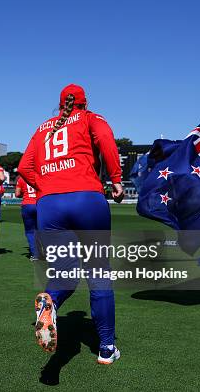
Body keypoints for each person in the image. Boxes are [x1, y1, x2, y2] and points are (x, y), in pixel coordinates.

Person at [18, 84, 124, 364]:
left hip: (50, 205)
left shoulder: (42, 128)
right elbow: (107, 141)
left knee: (65, 271)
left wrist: (47, 187)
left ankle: (50, 303)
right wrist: (115, 179)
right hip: (87, 198)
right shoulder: (91, 118)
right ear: (83, 101)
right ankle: (105, 347)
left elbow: (24, 167)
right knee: (99, 273)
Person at [15, 176, 38, 261]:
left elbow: (17, 194)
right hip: (39, 204)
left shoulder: (22, 178)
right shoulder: (39, 176)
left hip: (27, 205)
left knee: (30, 232)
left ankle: (34, 254)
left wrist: (24, 193)